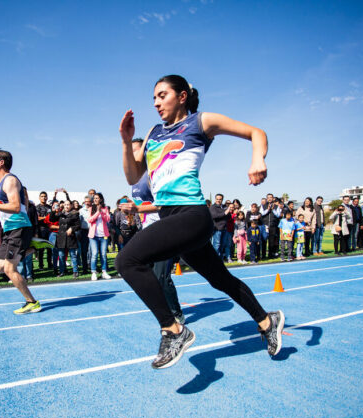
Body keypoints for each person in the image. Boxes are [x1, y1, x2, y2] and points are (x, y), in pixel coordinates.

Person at [116, 74, 283, 369]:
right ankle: (267, 321)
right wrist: (127, 141)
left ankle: (173, 330)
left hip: (192, 214)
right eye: (153, 97)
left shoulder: (201, 122)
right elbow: (132, 176)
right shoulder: (154, 132)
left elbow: (257, 133)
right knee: (220, 279)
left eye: (162, 95)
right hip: (171, 216)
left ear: (181, 96)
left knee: (127, 260)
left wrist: (258, 159)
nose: (156, 102)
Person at [120, 137, 185, 324]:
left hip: (165, 230)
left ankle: (176, 313)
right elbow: (141, 206)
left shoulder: (153, 174)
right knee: (134, 267)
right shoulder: (134, 180)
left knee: (161, 276)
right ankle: (164, 309)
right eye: (130, 151)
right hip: (148, 231)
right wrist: (133, 216)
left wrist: (138, 209)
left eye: (136, 151)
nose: (133, 155)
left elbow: (164, 204)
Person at [0, 149, 40, 314]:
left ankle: (31, 302)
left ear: (1, 162)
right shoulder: (2, 182)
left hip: (18, 229)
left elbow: (16, 207)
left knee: (10, 269)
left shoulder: (9, 180)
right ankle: (31, 249)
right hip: (10, 230)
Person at [49, 200, 81, 277]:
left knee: (73, 255)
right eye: (65, 205)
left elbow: (78, 225)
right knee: (61, 255)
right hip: (61, 237)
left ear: (71, 206)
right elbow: (52, 219)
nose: (66, 206)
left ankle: (75, 271)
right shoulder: (60, 214)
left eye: (68, 204)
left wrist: (72, 229)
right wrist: (53, 211)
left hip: (70, 238)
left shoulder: (75, 214)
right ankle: (62, 271)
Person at [87, 192, 112, 281]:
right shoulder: (90, 208)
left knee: (103, 254)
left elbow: (108, 219)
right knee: (94, 254)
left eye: (97, 198)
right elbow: (90, 220)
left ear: (101, 199)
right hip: (93, 236)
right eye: (94, 198)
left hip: (103, 236)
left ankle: (104, 272)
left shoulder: (105, 208)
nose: (95, 200)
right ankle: (93, 272)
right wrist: (97, 212)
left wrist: (101, 212)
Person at [35, 191, 53, 270]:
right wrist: (46, 218)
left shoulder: (49, 207)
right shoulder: (37, 207)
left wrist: (47, 218)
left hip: (49, 230)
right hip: (41, 230)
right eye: (42, 196)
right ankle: (41, 265)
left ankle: (50, 264)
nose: (44, 198)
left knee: (49, 248)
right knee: (41, 249)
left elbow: (52, 217)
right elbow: (37, 218)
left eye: (45, 196)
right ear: (39, 198)